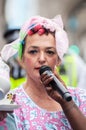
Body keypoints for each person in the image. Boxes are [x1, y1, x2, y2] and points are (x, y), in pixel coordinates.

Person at [0, 15, 86, 130]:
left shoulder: (81, 98)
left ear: (59, 59)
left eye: (49, 52)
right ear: (21, 59)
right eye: (33, 51)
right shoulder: (9, 104)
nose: (41, 58)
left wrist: (68, 104)